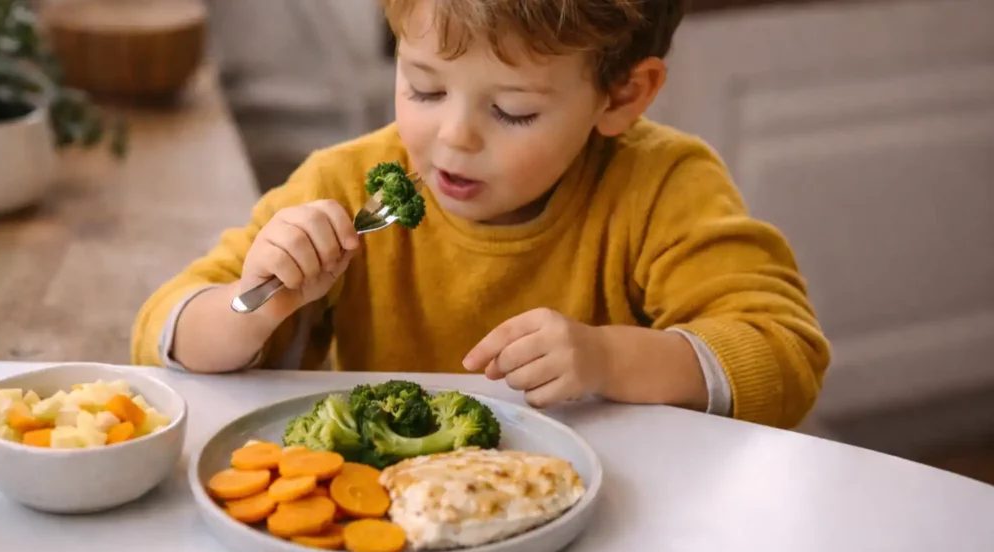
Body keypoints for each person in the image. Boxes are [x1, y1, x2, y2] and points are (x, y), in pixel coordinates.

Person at [131, 0, 830, 429]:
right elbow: (159, 335)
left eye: (511, 110)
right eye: (424, 88)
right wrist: (255, 304)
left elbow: (784, 355)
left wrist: (609, 358)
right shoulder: (346, 186)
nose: (455, 137)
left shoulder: (664, 185)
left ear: (621, 95)